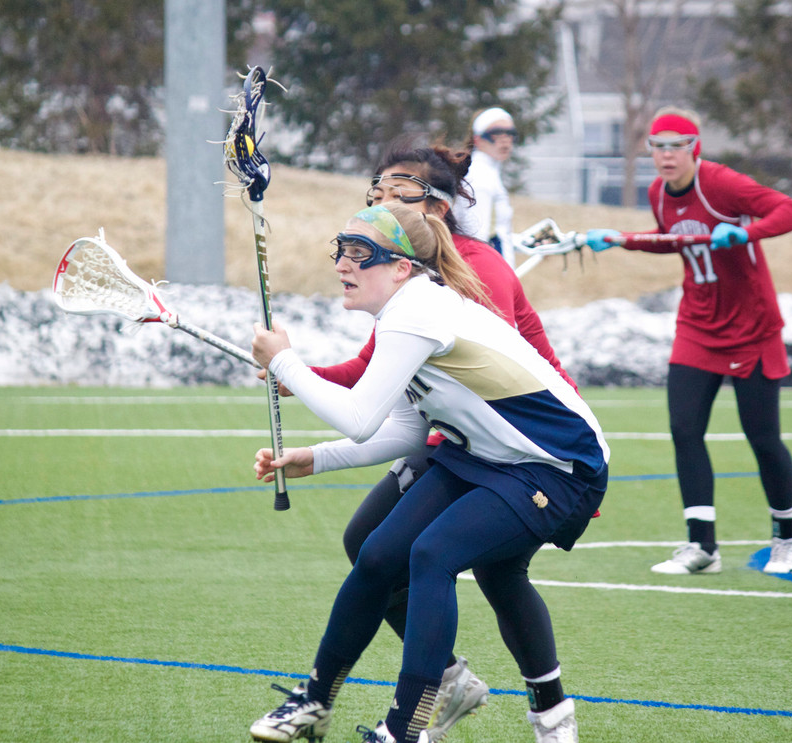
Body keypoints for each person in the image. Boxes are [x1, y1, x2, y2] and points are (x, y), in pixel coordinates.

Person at [249, 202, 609, 743]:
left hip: (556, 464)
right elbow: (406, 434)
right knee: (377, 554)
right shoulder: (403, 312)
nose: (343, 265)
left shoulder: (416, 311)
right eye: (340, 250)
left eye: (360, 253)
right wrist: (318, 457)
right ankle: (316, 701)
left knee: (431, 555)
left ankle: (407, 728)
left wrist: (285, 364)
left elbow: (360, 417)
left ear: (401, 267)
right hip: (484, 456)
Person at [585, 106, 792, 576]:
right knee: (685, 430)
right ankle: (702, 546)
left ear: (695, 149)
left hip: (752, 327)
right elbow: (673, 240)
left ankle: (786, 537)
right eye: (657, 147)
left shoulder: (723, 183)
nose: (666, 156)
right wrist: (622, 239)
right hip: (698, 325)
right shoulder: (657, 192)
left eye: (675, 146)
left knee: (762, 437)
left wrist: (745, 231)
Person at [452, 107, 518, 267]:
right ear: (478, 139)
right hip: (486, 270)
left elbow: (499, 231)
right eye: (496, 133)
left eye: (509, 133)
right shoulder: (479, 175)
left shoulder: (489, 172)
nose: (505, 140)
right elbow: (476, 237)